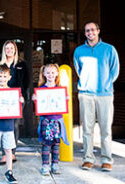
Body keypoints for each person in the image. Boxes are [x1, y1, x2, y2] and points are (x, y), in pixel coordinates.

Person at [74, 21, 119, 172]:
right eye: (87, 31)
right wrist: (87, 83)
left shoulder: (109, 49)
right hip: (86, 94)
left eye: (93, 30)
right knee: (87, 129)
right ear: (85, 33)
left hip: (104, 94)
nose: (90, 33)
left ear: (98, 31)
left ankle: (106, 160)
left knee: (106, 130)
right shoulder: (79, 51)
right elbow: (78, 70)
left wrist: (105, 84)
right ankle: (88, 159)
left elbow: (115, 70)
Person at [0, 64, 23, 184]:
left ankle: (9, 171)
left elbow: (18, 109)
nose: (2, 78)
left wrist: (20, 102)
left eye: (4, 76)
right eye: (0, 76)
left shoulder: (13, 93)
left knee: (8, 150)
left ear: (9, 77)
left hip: (8, 126)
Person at [33, 63, 69, 176]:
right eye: (48, 72)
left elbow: (63, 104)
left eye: (53, 72)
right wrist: (35, 99)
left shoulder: (60, 90)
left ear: (57, 73)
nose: (50, 75)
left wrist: (66, 99)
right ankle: (45, 165)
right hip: (46, 120)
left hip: (57, 120)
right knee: (46, 143)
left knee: (56, 143)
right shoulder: (41, 89)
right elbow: (39, 106)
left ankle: (55, 164)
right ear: (43, 74)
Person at [0, 40, 29, 165]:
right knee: (3, 125)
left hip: (17, 98)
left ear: (15, 50)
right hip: (2, 98)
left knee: (14, 126)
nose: (9, 50)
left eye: (12, 48)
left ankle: (12, 153)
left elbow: (27, 80)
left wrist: (21, 94)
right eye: (7, 48)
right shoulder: (0, 64)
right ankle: (4, 154)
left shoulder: (22, 63)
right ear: (4, 50)